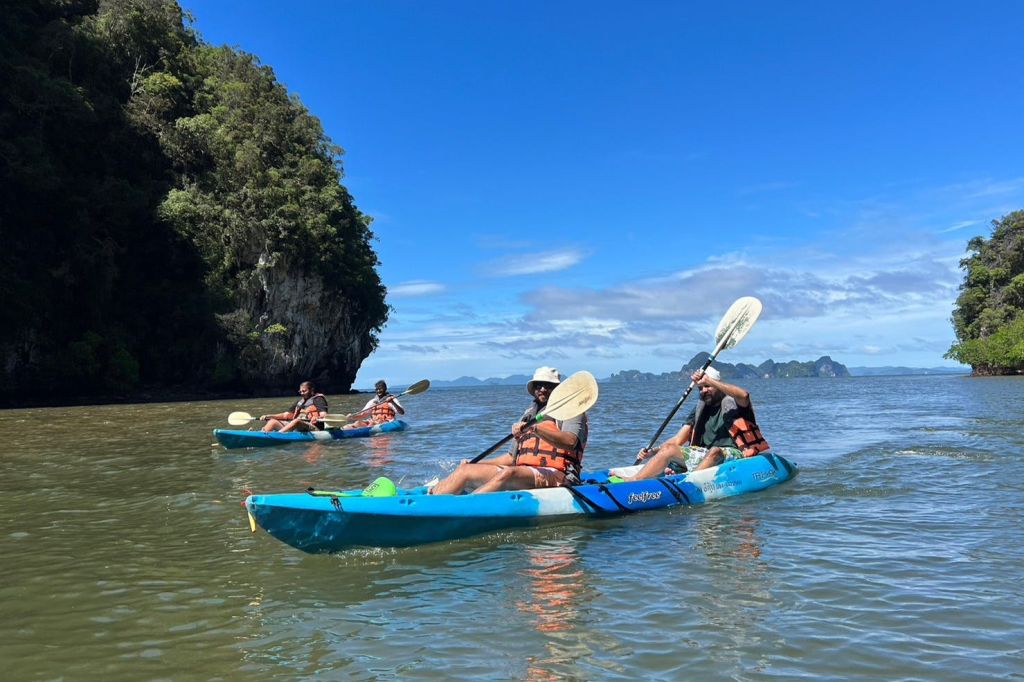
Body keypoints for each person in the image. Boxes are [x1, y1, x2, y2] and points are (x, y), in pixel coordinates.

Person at [430, 367, 589, 495]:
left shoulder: (570, 411)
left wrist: (535, 428)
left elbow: (570, 442)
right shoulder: (528, 415)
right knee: (465, 470)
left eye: (548, 385)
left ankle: (465, 507)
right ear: (533, 388)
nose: (542, 389)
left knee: (509, 473)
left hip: (558, 475)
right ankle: (431, 501)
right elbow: (511, 458)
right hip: (524, 472)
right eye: (538, 385)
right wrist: (476, 463)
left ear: (557, 389)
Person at [619, 366, 769, 480]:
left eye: (708, 387)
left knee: (715, 450)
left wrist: (709, 380)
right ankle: (636, 481)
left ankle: (688, 483)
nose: (704, 390)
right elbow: (678, 440)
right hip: (704, 456)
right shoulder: (699, 408)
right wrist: (653, 451)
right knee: (669, 449)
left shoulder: (735, 404)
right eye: (701, 388)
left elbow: (744, 395)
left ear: (717, 384)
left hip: (735, 454)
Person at [259, 381, 329, 433]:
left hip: (314, 428)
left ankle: (278, 435)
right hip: (298, 427)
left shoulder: (318, 399)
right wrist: (269, 416)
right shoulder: (299, 402)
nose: (302, 393)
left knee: (296, 421)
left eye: (304, 391)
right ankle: (262, 434)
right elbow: (286, 415)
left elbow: (324, 415)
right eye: (300, 391)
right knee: (272, 421)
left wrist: (317, 417)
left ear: (312, 390)